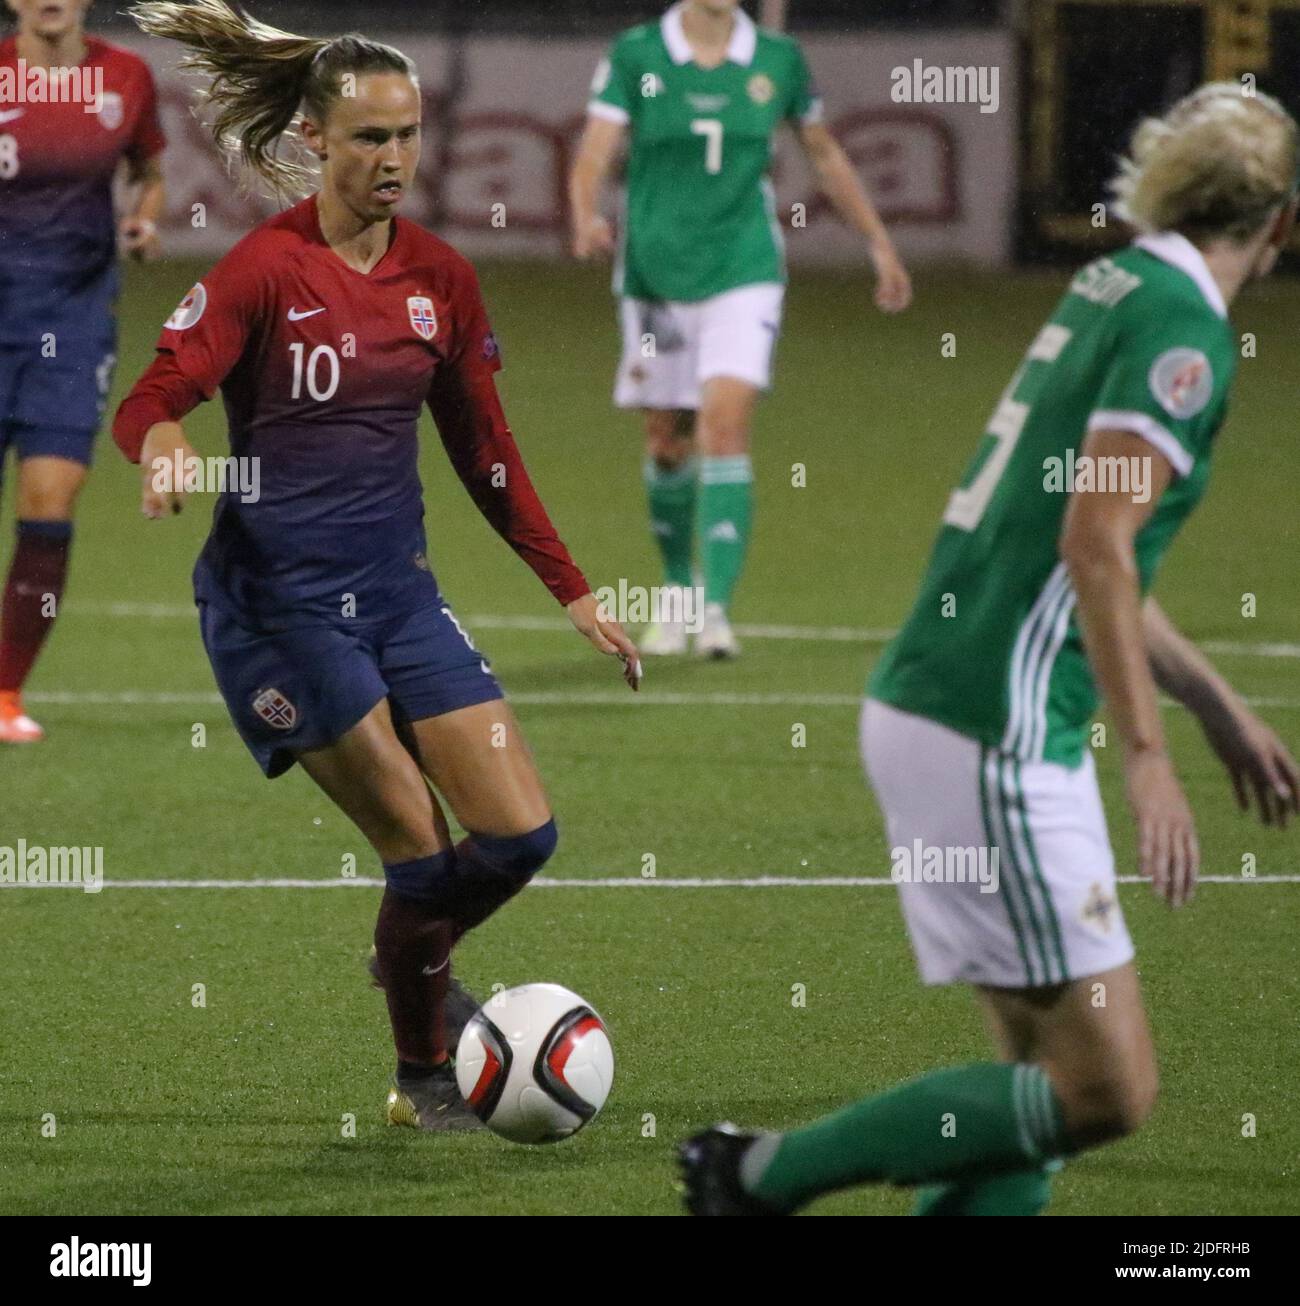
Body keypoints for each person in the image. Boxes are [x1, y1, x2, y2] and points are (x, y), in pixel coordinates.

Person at [679, 82, 1300, 1213]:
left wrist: (1216, 708)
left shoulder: (1115, 283)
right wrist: (1149, 756)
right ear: (1281, 225)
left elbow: (1081, 549)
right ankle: (752, 1174)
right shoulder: (1182, 332)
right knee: (1106, 1089)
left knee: (1032, 1089)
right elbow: (1096, 546)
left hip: (942, 704)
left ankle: (753, 1177)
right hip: (995, 731)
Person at [113, 0, 639, 1132]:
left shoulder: (441, 279)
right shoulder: (266, 269)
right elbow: (157, 393)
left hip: (397, 592)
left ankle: (410, 951)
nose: (392, 157)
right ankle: (424, 1070)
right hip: (278, 607)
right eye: (367, 137)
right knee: (418, 840)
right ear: (313, 138)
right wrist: (162, 446)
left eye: (406, 135)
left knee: (521, 837)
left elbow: (484, 448)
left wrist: (573, 587)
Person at [569, 0, 911, 658]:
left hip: (744, 268)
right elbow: (594, 151)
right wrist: (585, 214)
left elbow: (825, 154)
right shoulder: (638, 54)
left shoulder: (778, 60)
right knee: (668, 438)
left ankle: (717, 611)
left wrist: (879, 244)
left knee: (725, 423)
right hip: (655, 277)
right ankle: (678, 588)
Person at [0, 0, 165, 742]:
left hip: (70, 319)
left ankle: (4, 693)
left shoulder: (125, 76)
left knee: (51, 497)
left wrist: (145, 218)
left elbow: (149, 171)